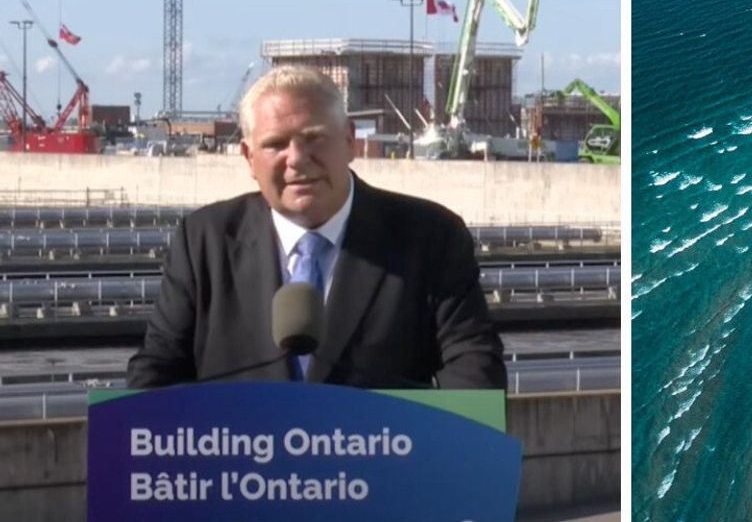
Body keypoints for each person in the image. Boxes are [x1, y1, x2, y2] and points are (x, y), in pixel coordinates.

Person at [127, 66, 506, 389]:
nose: (296, 159)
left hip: (382, 454)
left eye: (314, 138)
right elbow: (156, 372)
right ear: (248, 157)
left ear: (349, 141)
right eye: (275, 144)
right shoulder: (203, 241)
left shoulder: (431, 237)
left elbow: (474, 369)